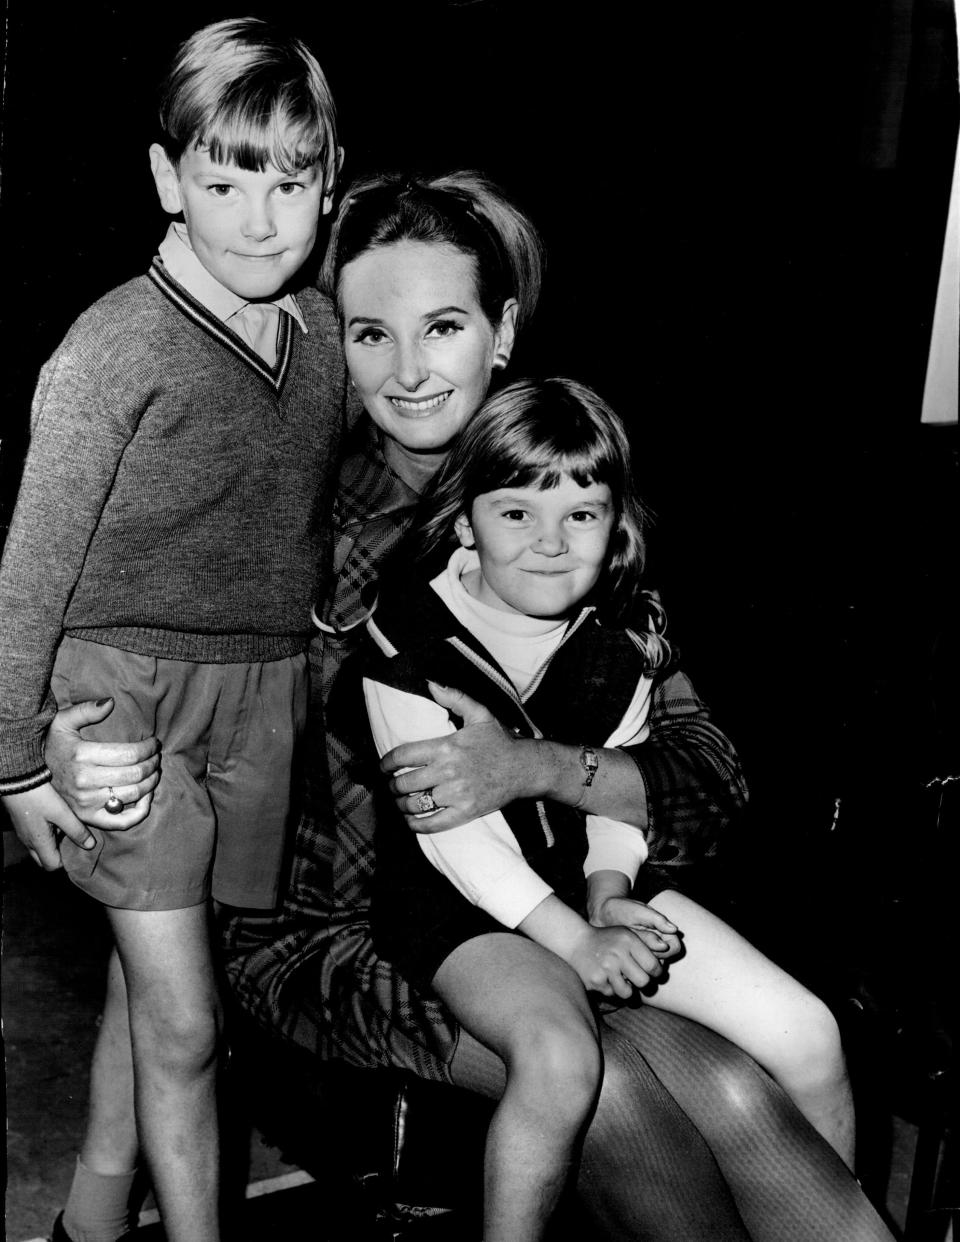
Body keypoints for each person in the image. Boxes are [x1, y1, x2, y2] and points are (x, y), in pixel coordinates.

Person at [44, 173, 895, 1241]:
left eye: (442, 327)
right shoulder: (291, 518)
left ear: (498, 334)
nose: (407, 372)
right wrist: (76, 740)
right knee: (619, 1090)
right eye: (370, 334)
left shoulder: (554, 492)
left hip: (552, 888)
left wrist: (537, 769)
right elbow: (130, 636)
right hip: (346, 936)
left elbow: (707, 771)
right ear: (333, 345)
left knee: (736, 1085)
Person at [361, 376, 855, 1239]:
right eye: (516, 513)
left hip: (583, 880)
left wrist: (609, 892)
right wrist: (577, 940)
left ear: (616, 522)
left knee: (807, 1032)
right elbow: (460, 846)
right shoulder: (404, 636)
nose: (550, 545)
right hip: (458, 905)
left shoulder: (619, 635)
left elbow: (616, 791)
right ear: (465, 518)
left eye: (581, 516)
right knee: (563, 1060)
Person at [0, 19, 346, 1242]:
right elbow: (28, 568)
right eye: (223, 180)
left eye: (289, 183)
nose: (259, 219)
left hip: (255, 695)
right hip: (121, 706)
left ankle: (91, 1213)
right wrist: (16, 761)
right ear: (168, 181)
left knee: (154, 981)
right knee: (191, 1027)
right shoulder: (112, 348)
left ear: (328, 181)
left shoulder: (321, 343)